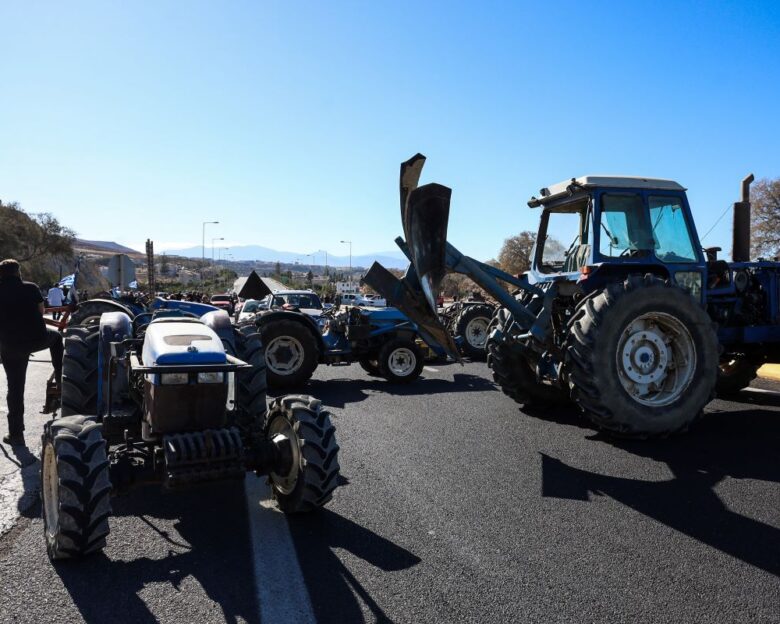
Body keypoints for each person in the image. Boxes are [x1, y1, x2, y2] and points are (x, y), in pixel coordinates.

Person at [0, 259, 64, 447]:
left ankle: (16, 434)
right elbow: (41, 310)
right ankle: (60, 376)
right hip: (37, 339)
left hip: (10, 345)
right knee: (58, 337)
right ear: (18, 272)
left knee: (15, 388)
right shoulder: (31, 288)